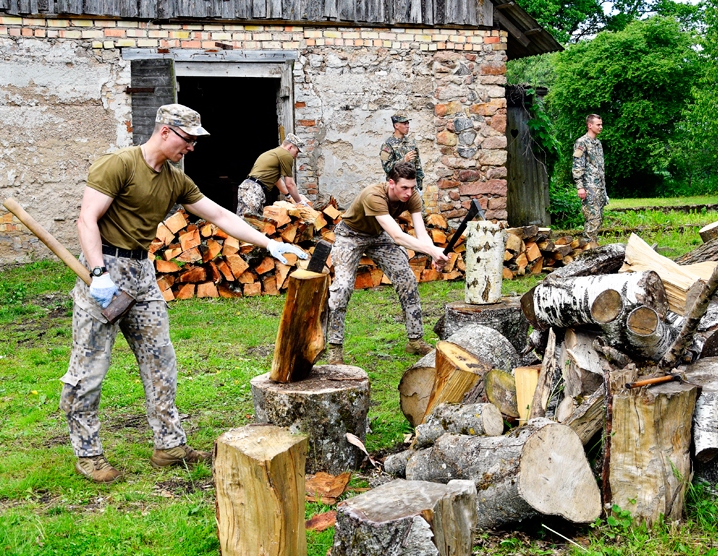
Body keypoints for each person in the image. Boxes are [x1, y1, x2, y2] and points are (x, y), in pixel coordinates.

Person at [61, 104, 308, 483]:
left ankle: (169, 444)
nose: (192, 146)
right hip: (105, 269)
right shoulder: (119, 165)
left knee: (161, 360)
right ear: (164, 131)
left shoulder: (175, 180)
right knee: (90, 368)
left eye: (195, 140)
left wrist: (268, 242)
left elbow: (220, 216)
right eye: (187, 138)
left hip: (142, 273)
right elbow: (86, 219)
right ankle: (88, 453)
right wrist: (97, 273)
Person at [326, 161, 447, 365]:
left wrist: (434, 254)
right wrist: (432, 250)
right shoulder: (374, 195)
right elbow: (397, 236)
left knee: (407, 278)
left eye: (412, 187)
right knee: (343, 286)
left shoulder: (412, 196)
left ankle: (415, 340)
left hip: (377, 236)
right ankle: (334, 349)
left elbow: (421, 232)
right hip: (350, 235)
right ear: (391, 183)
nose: (409, 193)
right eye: (404, 188)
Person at [237, 132, 306, 217]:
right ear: (290, 147)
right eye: (297, 151)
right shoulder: (285, 155)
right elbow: (290, 184)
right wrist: (300, 202)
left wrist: (288, 195)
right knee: (246, 222)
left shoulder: (275, 153)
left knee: (254, 223)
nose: (296, 156)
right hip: (253, 189)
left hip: (250, 188)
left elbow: (276, 180)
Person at [572, 114, 609, 243]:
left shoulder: (598, 143)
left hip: (599, 187)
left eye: (601, 124)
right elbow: (577, 165)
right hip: (589, 187)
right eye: (598, 124)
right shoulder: (581, 142)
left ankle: (592, 247)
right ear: (590, 125)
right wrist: (580, 187)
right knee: (592, 218)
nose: (601, 127)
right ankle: (587, 250)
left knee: (598, 219)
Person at [379, 113, 424, 193]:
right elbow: (387, 168)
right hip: (397, 188)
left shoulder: (411, 143)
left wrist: (419, 183)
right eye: (404, 124)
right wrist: (404, 160)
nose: (407, 126)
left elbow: (417, 165)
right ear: (396, 126)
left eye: (408, 123)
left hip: (412, 187)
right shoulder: (388, 145)